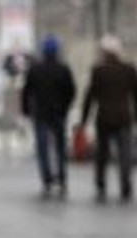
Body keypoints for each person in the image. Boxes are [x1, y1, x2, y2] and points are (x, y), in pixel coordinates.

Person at [79, 35, 137, 203]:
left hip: (103, 118)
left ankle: (101, 183)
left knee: (102, 155)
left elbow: (90, 97)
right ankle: (125, 184)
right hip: (124, 118)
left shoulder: (99, 71)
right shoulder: (128, 70)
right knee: (125, 154)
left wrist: (84, 120)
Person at [21, 35, 76, 199]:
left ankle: (47, 180)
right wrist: (65, 107)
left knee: (43, 148)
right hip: (58, 113)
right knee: (60, 148)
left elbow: (26, 91)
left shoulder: (35, 69)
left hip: (41, 114)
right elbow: (71, 91)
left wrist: (26, 110)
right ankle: (62, 178)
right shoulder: (63, 68)